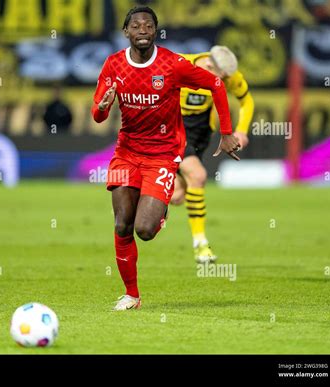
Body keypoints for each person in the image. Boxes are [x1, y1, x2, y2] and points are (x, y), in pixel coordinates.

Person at [91, 6, 240, 311]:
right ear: (126, 32)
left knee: (144, 230)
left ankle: (159, 210)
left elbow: (215, 84)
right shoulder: (114, 65)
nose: (142, 29)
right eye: (136, 25)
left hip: (161, 155)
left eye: (148, 25)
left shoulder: (173, 64)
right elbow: (97, 114)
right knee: (122, 225)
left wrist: (226, 132)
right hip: (126, 153)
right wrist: (103, 107)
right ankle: (132, 295)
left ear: (155, 31)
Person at [170, 46, 254, 263]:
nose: (224, 81)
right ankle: (200, 245)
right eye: (222, 77)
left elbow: (246, 101)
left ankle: (145, 191)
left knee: (177, 196)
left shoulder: (227, 74)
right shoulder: (180, 65)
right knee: (198, 176)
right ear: (208, 65)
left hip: (200, 134)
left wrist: (242, 129)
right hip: (172, 128)